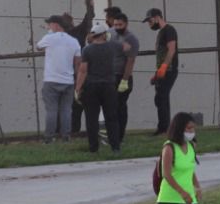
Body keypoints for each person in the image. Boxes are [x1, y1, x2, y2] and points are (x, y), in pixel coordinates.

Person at [36, 14, 81, 143]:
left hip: (51, 79)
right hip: (68, 80)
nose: (48, 27)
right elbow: (78, 61)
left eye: (50, 24)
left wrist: (50, 34)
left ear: (55, 25)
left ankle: (49, 137)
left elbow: (38, 46)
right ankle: (66, 135)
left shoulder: (50, 38)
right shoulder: (74, 41)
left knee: (51, 110)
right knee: (66, 109)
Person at [75, 23, 119, 154]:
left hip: (91, 86)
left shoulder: (87, 50)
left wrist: (78, 88)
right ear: (104, 34)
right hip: (109, 85)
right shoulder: (112, 47)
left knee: (91, 118)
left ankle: (93, 147)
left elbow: (83, 71)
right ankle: (115, 147)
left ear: (93, 35)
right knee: (111, 117)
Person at [144, 8, 179, 136]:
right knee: (160, 98)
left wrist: (164, 67)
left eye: (150, 20)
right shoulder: (161, 33)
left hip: (169, 70)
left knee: (162, 97)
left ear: (158, 17)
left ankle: (164, 129)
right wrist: (157, 73)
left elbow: (171, 50)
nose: (150, 24)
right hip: (162, 71)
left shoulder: (169, 30)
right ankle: (163, 128)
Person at [109, 10, 140, 149]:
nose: (117, 27)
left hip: (122, 75)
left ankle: (120, 136)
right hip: (110, 75)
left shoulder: (131, 38)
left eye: (120, 24)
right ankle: (113, 135)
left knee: (120, 107)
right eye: (115, 24)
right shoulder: (111, 33)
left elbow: (130, 60)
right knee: (112, 107)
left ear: (126, 24)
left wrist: (125, 79)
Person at [65, 3, 95, 136]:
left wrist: (90, 9)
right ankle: (86, 130)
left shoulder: (63, 36)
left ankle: (73, 131)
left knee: (72, 106)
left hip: (70, 72)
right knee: (82, 104)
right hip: (80, 70)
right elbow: (87, 20)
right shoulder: (77, 32)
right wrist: (90, 8)